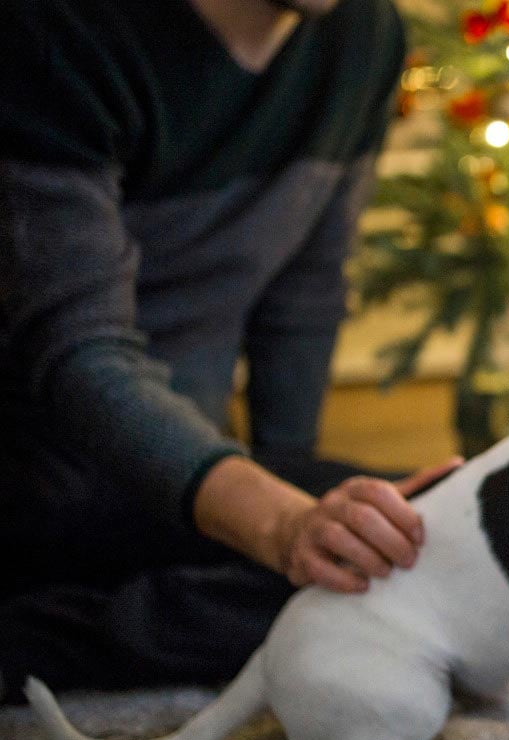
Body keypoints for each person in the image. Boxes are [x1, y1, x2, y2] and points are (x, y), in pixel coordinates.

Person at [0, 0, 456, 703]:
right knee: (349, 592)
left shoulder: (363, 35)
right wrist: (280, 523)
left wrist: (300, 495)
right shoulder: (54, 31)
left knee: (429, 538)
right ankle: (34, 639)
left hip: (190, 474)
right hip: (41, 470)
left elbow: (303, 295)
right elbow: (80, 356)